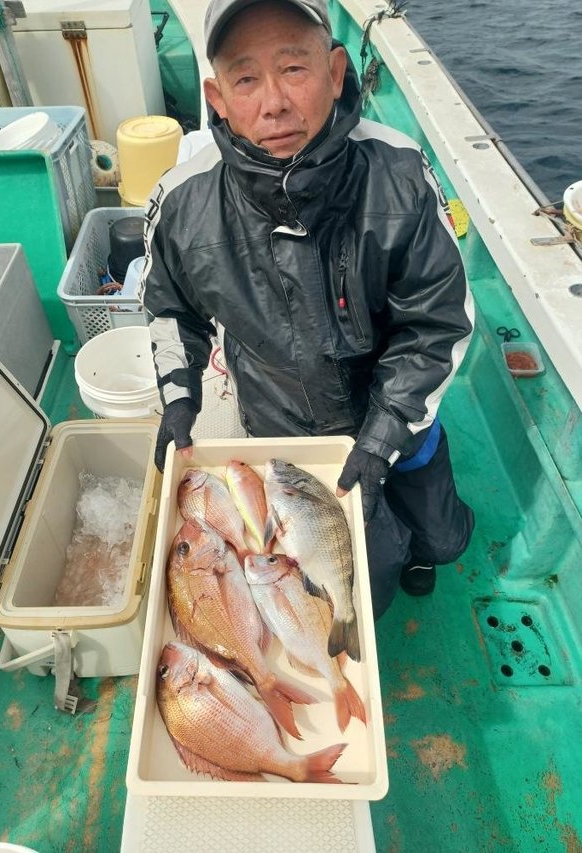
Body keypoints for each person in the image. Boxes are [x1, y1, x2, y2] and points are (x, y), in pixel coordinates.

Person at [142, 0, 475, 618]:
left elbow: (437, 324)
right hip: (280, 420)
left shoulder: (397, 172)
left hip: (398, 413)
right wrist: (178, 393)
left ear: (337, 71)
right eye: (246, 79)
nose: (273, 103)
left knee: (442, 535)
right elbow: (169, 309)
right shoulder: (182, 198)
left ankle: (425, 549)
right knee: (344, 581)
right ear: (216, 96)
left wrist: (380, 439)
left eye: (294, 68)